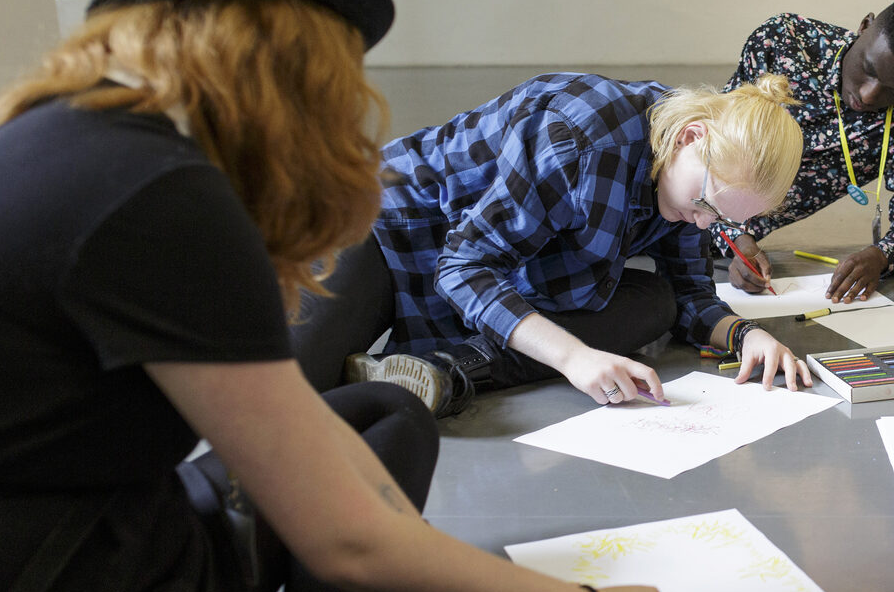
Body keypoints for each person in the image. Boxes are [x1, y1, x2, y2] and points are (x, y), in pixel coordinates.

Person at [0, 0, 670, 592]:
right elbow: (348, 538)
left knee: (388, 412)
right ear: (296, 61)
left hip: (125, 536)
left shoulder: (91, 139)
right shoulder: (156, 196)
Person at [293, 72, 815, 415]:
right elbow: (463, 267)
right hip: (389, 229)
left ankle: (442, 372)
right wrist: (574, 358)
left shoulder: (693, 187)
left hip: (508, 268)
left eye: (723, 220)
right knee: (295, 393)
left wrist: (746, 335)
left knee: (656, 301)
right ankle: (437, 368)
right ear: (690, 137)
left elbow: (691, 293)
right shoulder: (582, 136)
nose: (704, 224)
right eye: (706, 205)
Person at [717, 0, 894, 303]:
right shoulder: (784, 44)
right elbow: (709, 151)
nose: (869, 95)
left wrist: (880, 256)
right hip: (671, 200)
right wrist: (735, 237)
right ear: (864, 26)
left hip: (708, 249)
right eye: (868, 69)